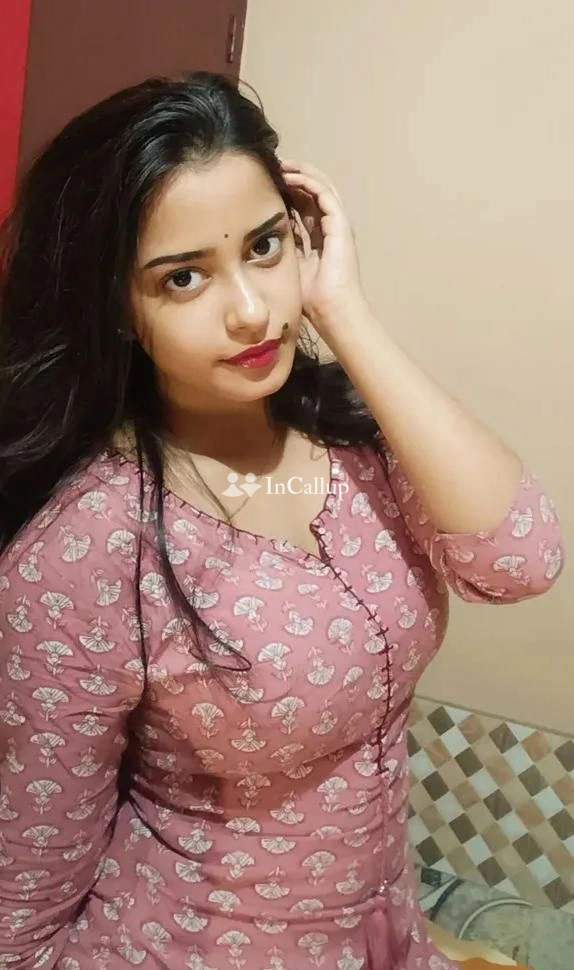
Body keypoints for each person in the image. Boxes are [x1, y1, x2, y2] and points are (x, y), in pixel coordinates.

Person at [0, 70, 563, 970]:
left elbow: (523, 560)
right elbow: (22, 899)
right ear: (118, 307)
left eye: (264, 246)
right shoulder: (87, 546)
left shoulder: (356, 437)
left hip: (384, 927)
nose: (253, 310)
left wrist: (343, 311)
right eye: (184, 277)